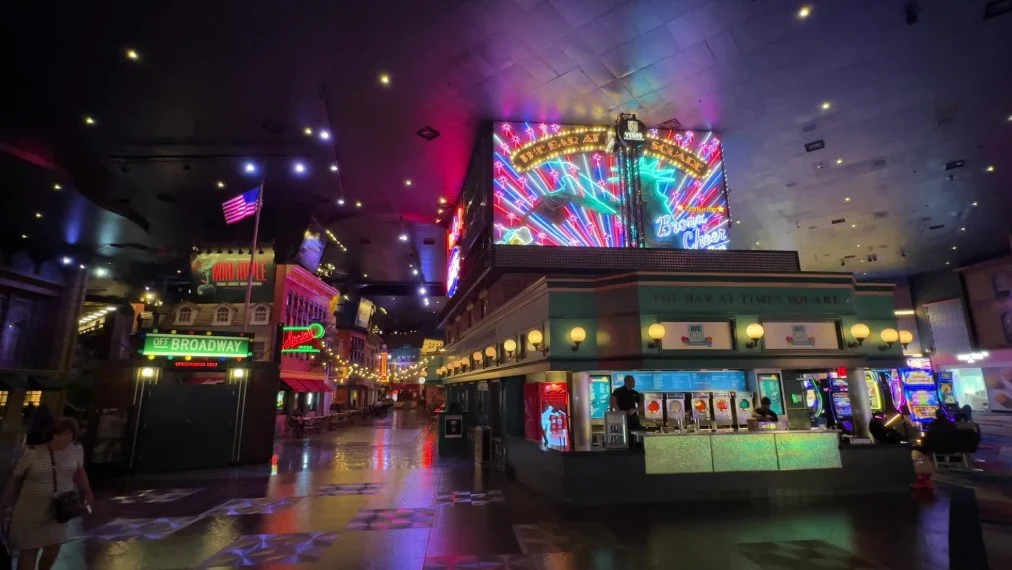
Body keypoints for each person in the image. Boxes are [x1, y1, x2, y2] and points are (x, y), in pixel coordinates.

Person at [1, 417, 94, 570]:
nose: (67, 438)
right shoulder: (32, 453)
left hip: (59, 511)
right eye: (62, 434)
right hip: (30, 511)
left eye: (70, 434)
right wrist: (4, 504)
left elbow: (79, 472)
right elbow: (16, 480)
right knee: (28, 552)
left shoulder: (76, 451)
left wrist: (87, 492)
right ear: (53, 434)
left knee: (51, 552)